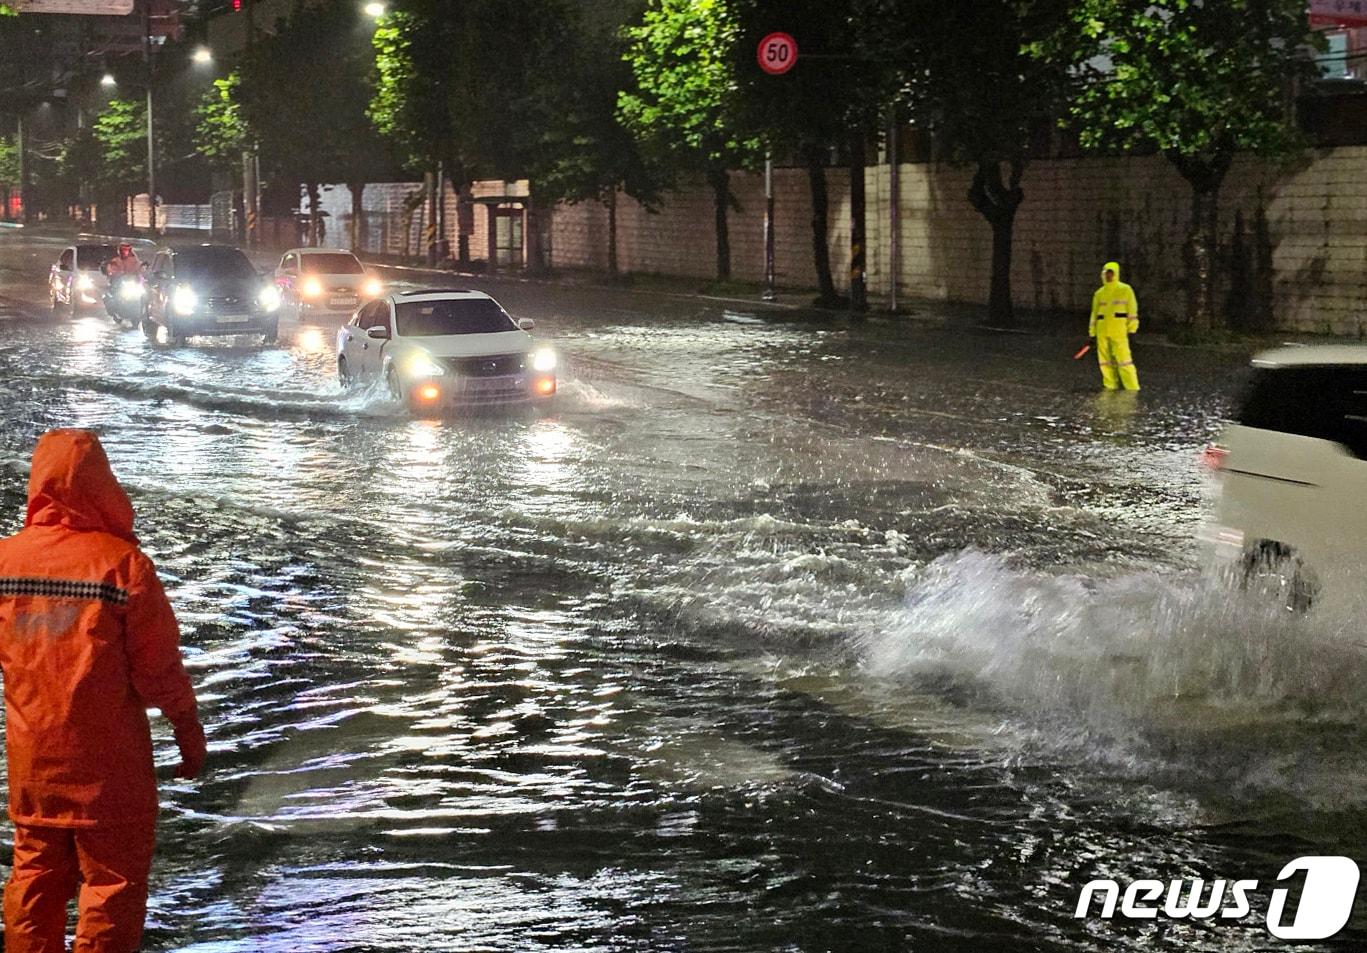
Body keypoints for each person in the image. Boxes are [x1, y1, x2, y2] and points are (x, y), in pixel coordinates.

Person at [0, 429, 204, 953]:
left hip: (34, 765)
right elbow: (158, 668)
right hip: (111, 772)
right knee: (111, 887)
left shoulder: (5, 562)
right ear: (103, 484)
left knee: (34, 882)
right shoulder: (123, 566)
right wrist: (188, 731)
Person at [1089, 261, 1140, 391]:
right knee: (1105, 361)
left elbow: (1132, 311)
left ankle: (1132, 387)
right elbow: (1094, 315)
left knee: (1124, 360)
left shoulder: (1125, 290)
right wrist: (1092, 333)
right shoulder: (1099, 293)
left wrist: (1132, 330)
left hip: (1119, 331)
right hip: (1102, 331)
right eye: (1107, 273)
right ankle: (1110, 385)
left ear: (1116, 274)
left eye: (1111, 273)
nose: (1108, 276)